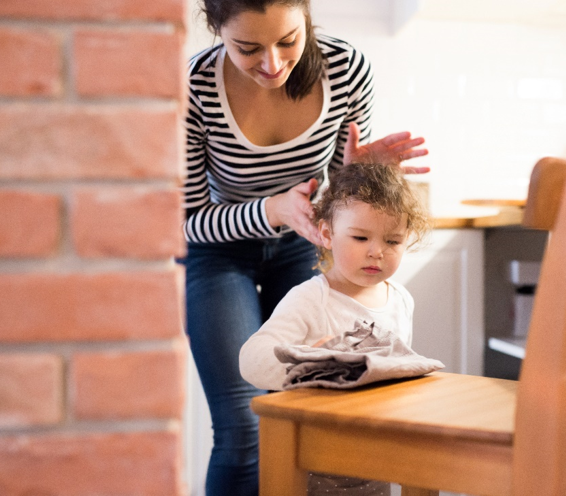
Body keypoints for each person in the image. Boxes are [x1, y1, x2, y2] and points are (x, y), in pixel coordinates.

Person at [180, 0, 429, 494]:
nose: (271, 64)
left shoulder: (346, 70)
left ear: (307, 17)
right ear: (216, 29)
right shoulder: (195, 88)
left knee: (312, 416)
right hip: (218, 253)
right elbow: (185, 222)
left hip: (302, 246)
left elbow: (337, 207)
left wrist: (354, 174)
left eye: (288, 41)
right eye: (247, 48)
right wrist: (272, 210)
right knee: (242, 426)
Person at [239, 162, 430, 495]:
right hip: (316, 464)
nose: (377, 251)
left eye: (393, 241)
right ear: (326, 234)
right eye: (360, 237)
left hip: (375, 459)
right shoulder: (311, 298)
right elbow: (251, 360)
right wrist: (309, 362)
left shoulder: (401, 300)